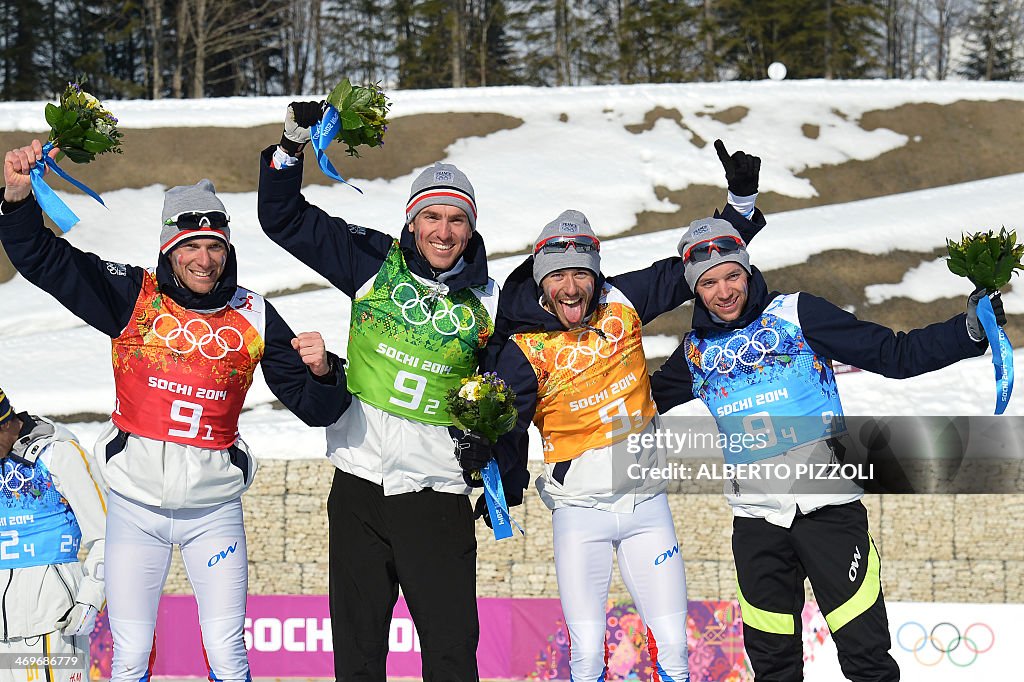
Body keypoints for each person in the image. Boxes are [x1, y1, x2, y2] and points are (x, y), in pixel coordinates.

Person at [1, 139, 350, 682]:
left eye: (215, 246)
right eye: (192, 246)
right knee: (132, 653)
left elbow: (315, 407)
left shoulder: (254, 313)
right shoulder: (132, 296)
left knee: (229, 650)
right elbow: (46, 261)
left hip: (213, 513)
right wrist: (20, 202)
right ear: (169, 250)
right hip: (136, 510)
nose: (205, 260)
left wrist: (326, 373)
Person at [650, 219, 1003, 681]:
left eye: (731, 275)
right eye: (709, 282)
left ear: (747, 271)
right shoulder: (694, 352)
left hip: (830, 512)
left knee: (867, 657)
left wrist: (968, 330)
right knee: (772, 667)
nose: (723, 291)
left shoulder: (797, 313)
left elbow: (893, 355)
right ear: (695, 290)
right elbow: (636, 400)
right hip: (757, 526)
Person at [258, 102, 521, 681]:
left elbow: (511, 397)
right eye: (432, 217)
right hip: (359, 492)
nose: (443, 232)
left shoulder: (494, 301)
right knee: (357, 658)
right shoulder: (372, 261)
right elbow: (283, 219)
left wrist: (496, 453)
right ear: (412, 223)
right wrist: (290, 145)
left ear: (471, 228)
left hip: (437, 496)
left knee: (451, 657)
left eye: (457, 220)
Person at [487, 143, 765, 682]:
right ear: (542, 280)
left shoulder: (624, 299)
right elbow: (504, 423)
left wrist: (740, 202)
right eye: (558, 276)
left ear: (596, 272)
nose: (572, 287)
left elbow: (705, 265)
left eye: (581, 273)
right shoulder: (520, 346)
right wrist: (494, 478)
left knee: (677, 654)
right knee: (588, 656)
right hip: (580, 515)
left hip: (647, 507)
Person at [0, 386, 107, 682]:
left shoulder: (58, 454)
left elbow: (108, 535)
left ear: (7, 422)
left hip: (54, 620)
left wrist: (90, 598)